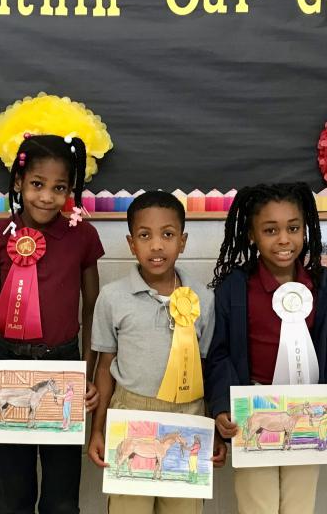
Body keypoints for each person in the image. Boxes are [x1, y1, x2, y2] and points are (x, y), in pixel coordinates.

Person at [0, 132, 104, 514]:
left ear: (70, 190)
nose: (46, 196)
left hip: (63, 365)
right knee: (13, 493)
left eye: (59, 188)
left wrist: (88, 372)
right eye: (37, 185)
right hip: (7, 363)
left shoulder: (83, 235)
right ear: (19, 183)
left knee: (62, 498)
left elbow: (92, 306)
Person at [205, 182, 327, 514]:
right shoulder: (236, 289)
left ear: (305, 230)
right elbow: (220, 353)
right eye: (271, 230)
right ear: (252, 235)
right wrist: (222, 406)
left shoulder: (324, 288)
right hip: (254, 411)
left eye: (293, 228)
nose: (284, 239)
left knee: (299, 506)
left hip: (306, 412)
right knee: (257, 506)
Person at [89, 191, 224, 514]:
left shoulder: (203, 298)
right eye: (145, 235)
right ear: (131, 243)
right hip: (130, 414)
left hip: (188, 417)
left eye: (168, 234)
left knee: (183, 508)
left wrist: (213, 431)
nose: (157, 245)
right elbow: (105, 366)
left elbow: (209, 368)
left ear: (184, 240)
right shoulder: (112, 297)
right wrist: (97, 429)